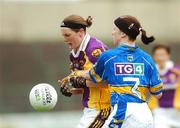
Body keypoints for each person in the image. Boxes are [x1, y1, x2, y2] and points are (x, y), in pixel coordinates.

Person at [67, 15, 163, 128]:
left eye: (114, 29)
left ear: (122, 34)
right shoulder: (147, 59)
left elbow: (92, 75)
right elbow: (158, 94)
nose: (112, 33)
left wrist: (76, 74)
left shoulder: (109, 57)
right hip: (145, 115)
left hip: (122, 112)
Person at [58, 14, 111, 128]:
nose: (64, 39)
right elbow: (86, 86)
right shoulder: (73, 54)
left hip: (104, 109)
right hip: (90, 109)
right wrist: (71, 89)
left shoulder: (94, 50)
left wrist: (80, 81)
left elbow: (109, 81)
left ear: (81, 32)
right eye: (63, 36)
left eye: (67, 35)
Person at [148, 44, 180, 128]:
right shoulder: (151, 72)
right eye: (157, 55)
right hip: (159, 111)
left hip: (177, 111)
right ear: (153, 56)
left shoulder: (177, 70)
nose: (160, 58)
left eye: (162, 55)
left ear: (168, 55)